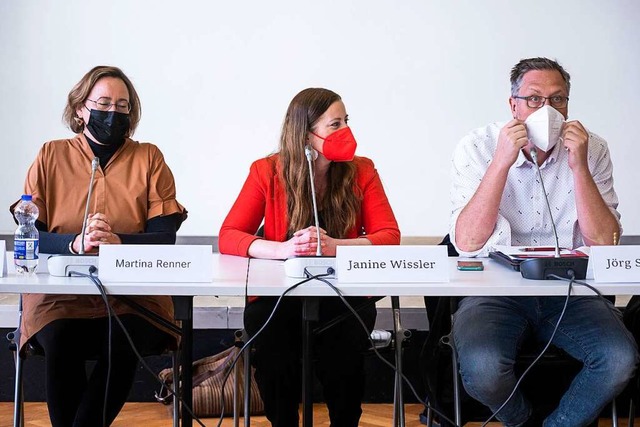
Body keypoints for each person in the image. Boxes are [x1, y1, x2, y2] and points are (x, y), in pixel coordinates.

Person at [449, 57, 639, 426]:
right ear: (513, 105)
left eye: (558, 99)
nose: (547, 109)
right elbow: (468, 243)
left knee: (618, 360)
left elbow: (604, 245)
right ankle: (523, 421)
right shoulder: (477, 146)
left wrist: (579, 167)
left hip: (571, 287)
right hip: (494, 288)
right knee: (483, 369)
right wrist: (501, 162)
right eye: (534, 99)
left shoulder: (592, 148)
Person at [11, 65, 187, 427]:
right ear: (79, 109)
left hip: (132, 298)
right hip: (59, 299)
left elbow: (165, 237)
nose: (113, 113)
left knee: (122, 339)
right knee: (61, 340)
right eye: (104, 103)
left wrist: (117, 241)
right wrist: (74, 243)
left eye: (123, 106)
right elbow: (29, 233)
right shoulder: (50, 155)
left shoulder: (149, 158)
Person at [219, 87, 400, 427]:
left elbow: (390, 236)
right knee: (274, 353)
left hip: (344, 295)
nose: (345, 131)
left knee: (345, 352)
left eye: (346, 121)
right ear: (305, 134)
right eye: (335, 125)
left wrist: (336, 246)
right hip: (279, 295)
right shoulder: (266, 171)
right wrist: (282, 250)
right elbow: (229, 235)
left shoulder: (362, 170)